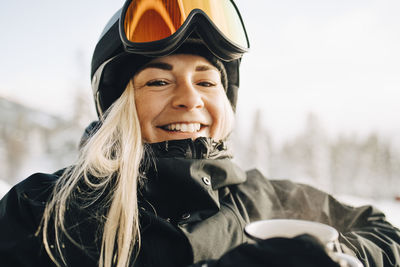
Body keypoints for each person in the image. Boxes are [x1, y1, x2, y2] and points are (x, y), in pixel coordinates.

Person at [0, 0, 399, 266]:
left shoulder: (266, 200)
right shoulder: (46, 210)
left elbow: (386, 234)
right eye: (158, 82)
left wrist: (335, 254)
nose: (190, 99)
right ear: (119, 106)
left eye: (207, 83)